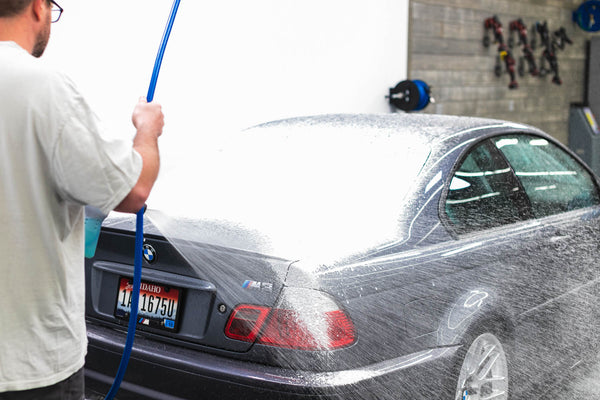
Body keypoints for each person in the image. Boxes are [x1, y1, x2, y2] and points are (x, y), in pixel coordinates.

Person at [0, 0, 165, 398]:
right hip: (29, 368)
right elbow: (134, 191)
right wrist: (147, 130)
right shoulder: (41, 87)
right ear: (39, 8)